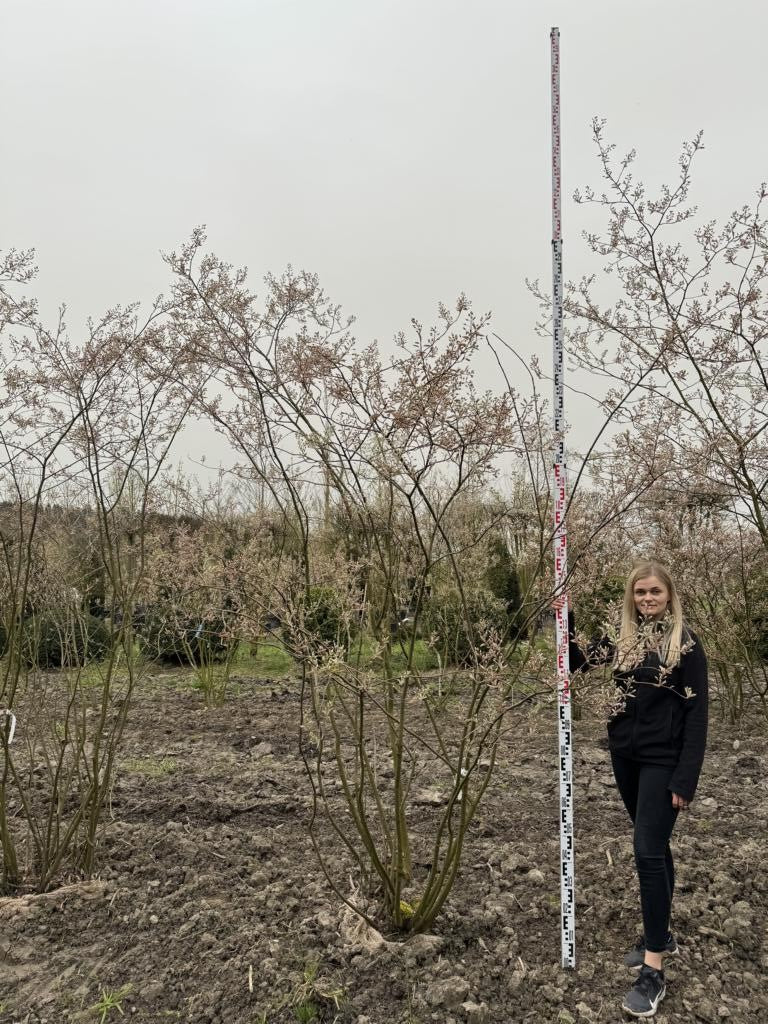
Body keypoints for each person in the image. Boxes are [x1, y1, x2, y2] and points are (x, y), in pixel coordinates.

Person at [569, 560, 708, 1019]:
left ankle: (653, 970)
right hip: (624, 756)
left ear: (670, 596)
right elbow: (576, 663)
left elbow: (697, 717)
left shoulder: (685, 645)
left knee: (647, 850)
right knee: (656, 845)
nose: (647, 599)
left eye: (655, 592)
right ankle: (661, 933)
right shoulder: (623, 639)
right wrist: (563, 619)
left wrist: (685, 778)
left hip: (663, 760)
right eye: (640, 593)